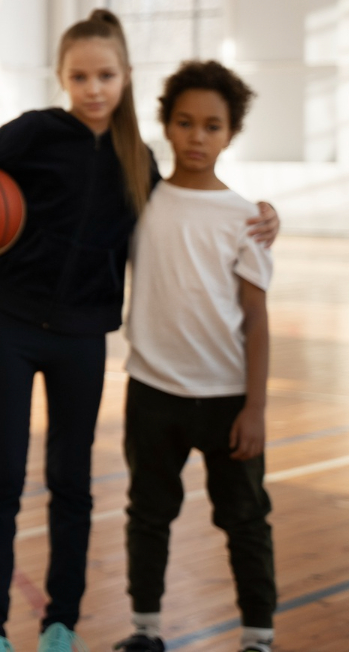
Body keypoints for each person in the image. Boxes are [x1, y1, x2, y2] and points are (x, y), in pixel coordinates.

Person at [0, 11, 278, 652]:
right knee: (1, 478)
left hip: (82, 340)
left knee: (72, 485)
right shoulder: (35, 133)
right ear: (61, 77)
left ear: (127, 77)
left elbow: (185, 214)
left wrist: (263, 215)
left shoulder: (137, 161)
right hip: (9, 326)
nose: (92, 88)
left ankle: (61, 623)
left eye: (105, 75)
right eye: (79, 76)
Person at [114, 62, 275, 652]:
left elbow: (256, 319)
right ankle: (146, 630)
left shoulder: (246, 218)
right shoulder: (143, 197)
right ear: (167, 125)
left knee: (246, 520)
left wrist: (255, 407)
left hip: (228, 397)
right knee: (148, 515)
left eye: (212, 126)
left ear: (231, 133)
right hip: (152, 392)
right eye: (185, 123)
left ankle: (259, 636)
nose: (197, 137)